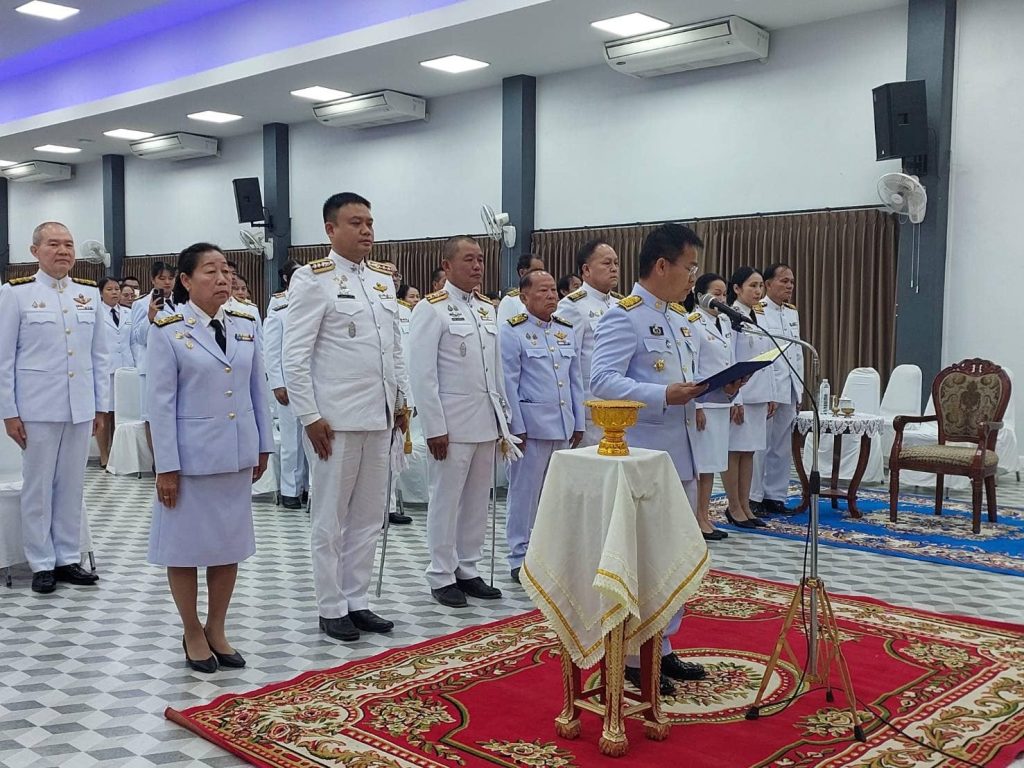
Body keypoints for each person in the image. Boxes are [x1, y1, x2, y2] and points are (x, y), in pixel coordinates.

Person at [591, 223, 744, 694]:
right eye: (689, 267)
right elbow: (602, 381)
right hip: (644, 456)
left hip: (684, 454)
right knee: (646, 557)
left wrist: (721, 388)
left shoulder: (680, 319)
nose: (693, 277)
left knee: (676, 556)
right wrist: (662, 395)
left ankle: (663, 643)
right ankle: (634, 655)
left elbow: (689, 385)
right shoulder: (624, 317)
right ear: (662, 265)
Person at [283, 192, 409, 642]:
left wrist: (401, 402)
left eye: (369, 222)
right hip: (334, 420)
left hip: (379, 415)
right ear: (330, 229)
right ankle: (331, 605)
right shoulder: (312, 279)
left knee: (369, 517)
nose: (366, 230)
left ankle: (357, 599)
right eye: (355, 222)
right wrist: (309, 415)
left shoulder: (382, 280)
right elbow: (295, 355)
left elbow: (393, 348)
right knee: (330, 518)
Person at [147, 242, 273, 672]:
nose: (222, 279)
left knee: (227, 545)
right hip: (190, 460)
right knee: (183, 548)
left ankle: (217, 627)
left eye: (226, 271)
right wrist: (166, 466)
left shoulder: (245, 322)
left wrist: (263, 445)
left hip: (235, 454)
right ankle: (192, 630)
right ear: (185, 280)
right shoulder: (168, 330)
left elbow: (257, 388)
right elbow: (159, 404)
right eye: (210, 271)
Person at [0, 222, 110, 594]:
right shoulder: (16, 294)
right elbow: (4, 359)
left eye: (68, 244)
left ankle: (66, 557)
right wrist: (9, 412)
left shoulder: (88, 294)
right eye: (53, 244)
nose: (63, 251)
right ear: (35, 251)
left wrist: (100, 407)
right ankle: (41, 562)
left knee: (72, 486)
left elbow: (99, 355)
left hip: (80, 406)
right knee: (38, 487)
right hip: (36, 407)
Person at [410, 235, 517, 608]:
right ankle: (441, 573)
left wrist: (503, 419)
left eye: (481, 259)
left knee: (476, 501)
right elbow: (422, 374)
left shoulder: (487, 309)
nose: (477, 266)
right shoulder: (431, 309)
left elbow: (495, 371)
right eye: (469, 259)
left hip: (485, 421)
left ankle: (467, 568)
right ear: (447, 265)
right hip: (451, 425)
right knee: (446, 499)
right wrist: (434, 427)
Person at [501, 270, 584, 583]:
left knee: (555, 495)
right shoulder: (513, 331)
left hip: (562, 425)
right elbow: (509, 382)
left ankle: (549, 553)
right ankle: (519, 555)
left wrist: (578, 420)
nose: (551, 296)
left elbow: (574, 379)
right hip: (531, 427)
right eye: (543, 291)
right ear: (524, 297)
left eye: (553, 290)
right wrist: (516, 427)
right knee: (524, 494)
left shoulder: (565, 329)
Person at [689, 273, 744, 540]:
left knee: (713, 463)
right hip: (704, 402)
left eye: (724, 294)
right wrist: (696, 405)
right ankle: (696, 518)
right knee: (701, 465)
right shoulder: (693, 323)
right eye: (716, 294)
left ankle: (705, 515)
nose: (721, 299)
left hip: (723, 402)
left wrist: (737, 398)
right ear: (701, 296)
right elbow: (691, 367)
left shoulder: (724, 322)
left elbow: (732, 362)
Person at [722, 267, 777, 528]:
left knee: (750, 452)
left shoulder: (760, 315)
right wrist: (736, 399)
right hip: (741, 394)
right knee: (735, 451)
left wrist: (772, 394)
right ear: (737, 289)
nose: (758, 291)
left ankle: (745, 505)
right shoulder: (730, 317)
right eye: (752, 286)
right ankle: (733, 506)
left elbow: (768, 357)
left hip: (759, 393)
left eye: (760, 286)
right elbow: (730, 359)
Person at [555, 239, 622, 446]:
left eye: (616, 263)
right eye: (607, 263)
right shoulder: (572, 306)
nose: (614, 268)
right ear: (586, 269)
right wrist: (574, 413)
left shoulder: (621, 305)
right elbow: (567, 363)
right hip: (591, 407)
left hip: (621, 403)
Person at [753, 263, 804, 515]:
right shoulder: (758, 311)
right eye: (784, 281)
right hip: (769, 387)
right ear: (768, 284)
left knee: (782, 446)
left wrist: (799, 389)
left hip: (790, 386)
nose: (789, 286)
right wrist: (768, 391)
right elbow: (761, 354)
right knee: (760, 445)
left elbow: (796, 353)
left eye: (791, 282)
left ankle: (775, 496)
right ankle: (754, 497)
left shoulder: (791, 313)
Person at [264, 259, 308, 510]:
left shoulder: (315, 305)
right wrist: (277, 383)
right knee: (291, 441)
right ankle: (290, 490)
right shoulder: (280, 310)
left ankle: (310, 488)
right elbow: (271, 351)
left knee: (314, 441)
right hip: (289, 385)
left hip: (314, 385)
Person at [130, 261, 177, 440]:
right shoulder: (141, 304)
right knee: (152, 416)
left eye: (171, 278)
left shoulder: (184, 301)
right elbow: (139, 338)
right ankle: (156, 456)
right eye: (162, 278)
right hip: (152, 366)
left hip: (177, 365)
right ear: (153, 280)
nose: (167, 282)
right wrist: (150, 316)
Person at [96, 276, 132, 467]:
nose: (115, 292)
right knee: (105, 413)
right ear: (101, 293)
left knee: (121, 413)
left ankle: (119, 455)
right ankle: (104, 454)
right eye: (109, 289)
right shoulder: (96, 313)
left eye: (117, 289)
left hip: (126, 369)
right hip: (105, 370)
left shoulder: (128, 313)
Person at [497, 253, 545, 325]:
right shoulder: (510, 301)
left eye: (543, 272)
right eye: (536, 271)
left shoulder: (546, 298)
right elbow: (504, 330)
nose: (540, 275)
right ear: (522, 273)